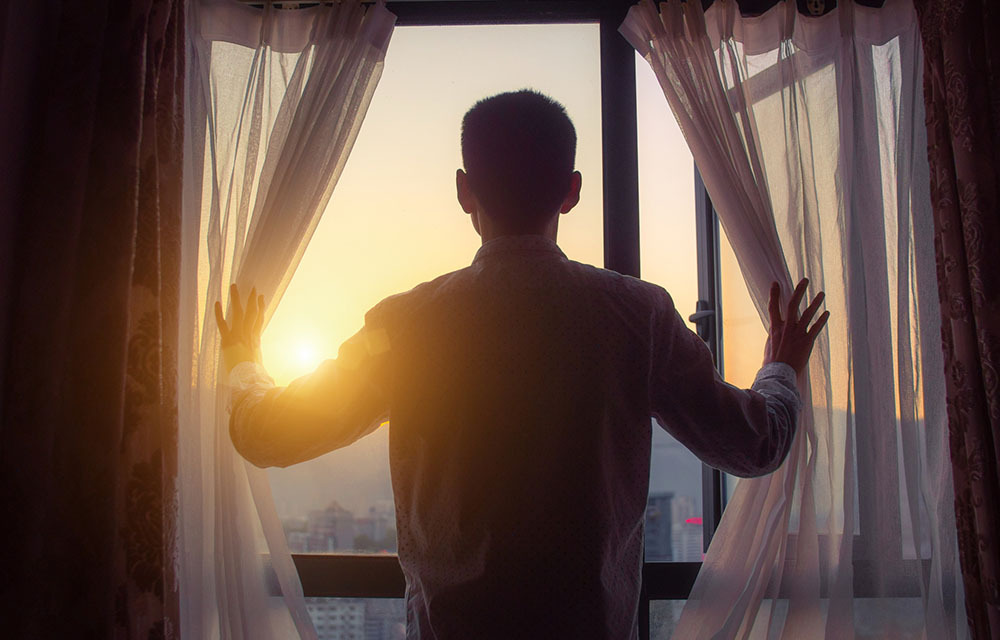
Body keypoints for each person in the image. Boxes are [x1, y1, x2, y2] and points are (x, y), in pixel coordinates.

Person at [216, 90, 828, 639]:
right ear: (573, 189)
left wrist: (243, 359)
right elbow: (754, 444)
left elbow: (269, 432)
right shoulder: (636, 316)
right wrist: (781, 367)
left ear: (464, 191)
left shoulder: (405, 326)